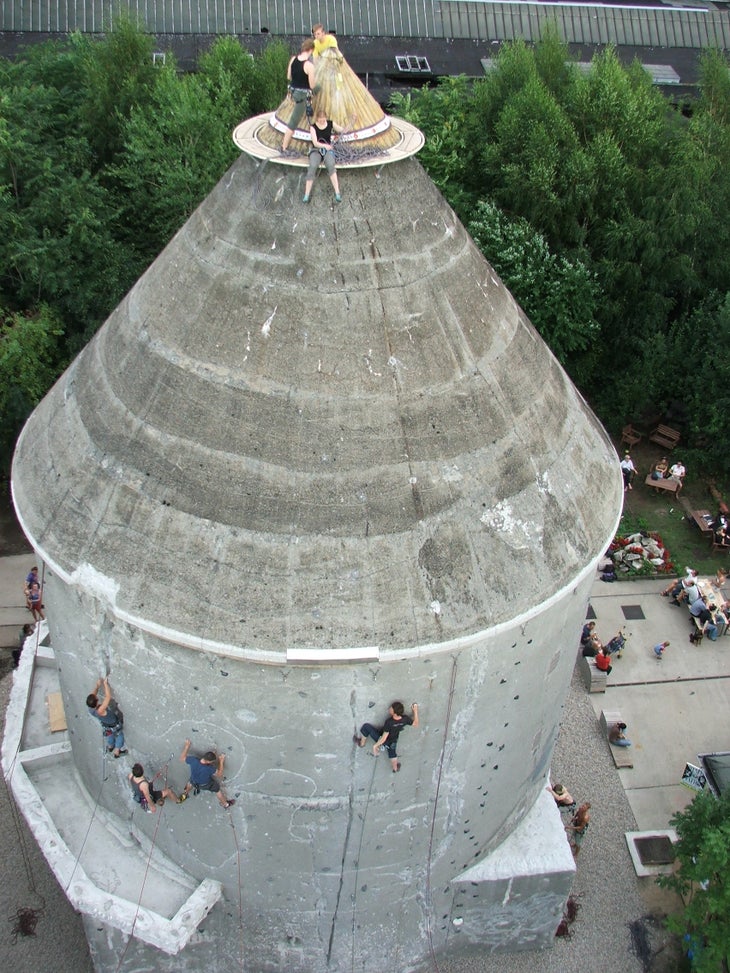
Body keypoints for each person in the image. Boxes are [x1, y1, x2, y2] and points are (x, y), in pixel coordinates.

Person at [355, 701, 419, 773]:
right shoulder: (405, 719)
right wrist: (415, 710)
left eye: (391, 709)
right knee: (392, 753)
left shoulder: (389, 722)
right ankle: (395, 768)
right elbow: (416, 724)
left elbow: (383, 738)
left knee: (366, 727)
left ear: (395, 713)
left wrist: (375, 746)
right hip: (393, 740)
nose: (389, 709)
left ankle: (362, 743)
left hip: (384, 740)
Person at [281, 38, 316, 153]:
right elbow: (312, 85)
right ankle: (284, 147)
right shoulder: (309, 66)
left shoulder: (293, 59)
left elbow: (289, 77)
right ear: (311, 50)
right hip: (302, 96)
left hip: (292, 92)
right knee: (293, 122)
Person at [179, 739, 235, 809]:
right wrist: (221, 761)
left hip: (193, 781)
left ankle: (185, 794)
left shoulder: (193, 760)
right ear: (209, 762)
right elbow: (219, 774)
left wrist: (187, 746)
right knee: (217, 790)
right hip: (205, 785)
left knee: (190, 782)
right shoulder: (210, 769)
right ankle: (225, 804)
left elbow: (182, 758)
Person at [302, 110, 344, 203]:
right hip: (316, 150)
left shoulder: (330, 123)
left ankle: (337, 193)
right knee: (313, 166)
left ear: (326, 118)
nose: (322, 121)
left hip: (328, 150)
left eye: (323, 120)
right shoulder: (313, 127)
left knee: (331, 164)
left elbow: (342, 129)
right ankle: (306, 194)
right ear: (317, 119)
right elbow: (315, 143)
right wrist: (325, 146)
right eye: (320, 120)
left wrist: (351, 123)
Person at [86, 676, 127, 757]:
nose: (97, 697)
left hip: (106, 724)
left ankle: (110, 747)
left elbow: (93, 695)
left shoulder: (90, 708)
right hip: (114, 723)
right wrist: (105, 684)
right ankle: (117, 752)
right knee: (119, 735)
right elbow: (108, 697)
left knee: (110, 734)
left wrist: (97, 686)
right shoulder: (100, 710)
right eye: (96, 698)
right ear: (96, 702)